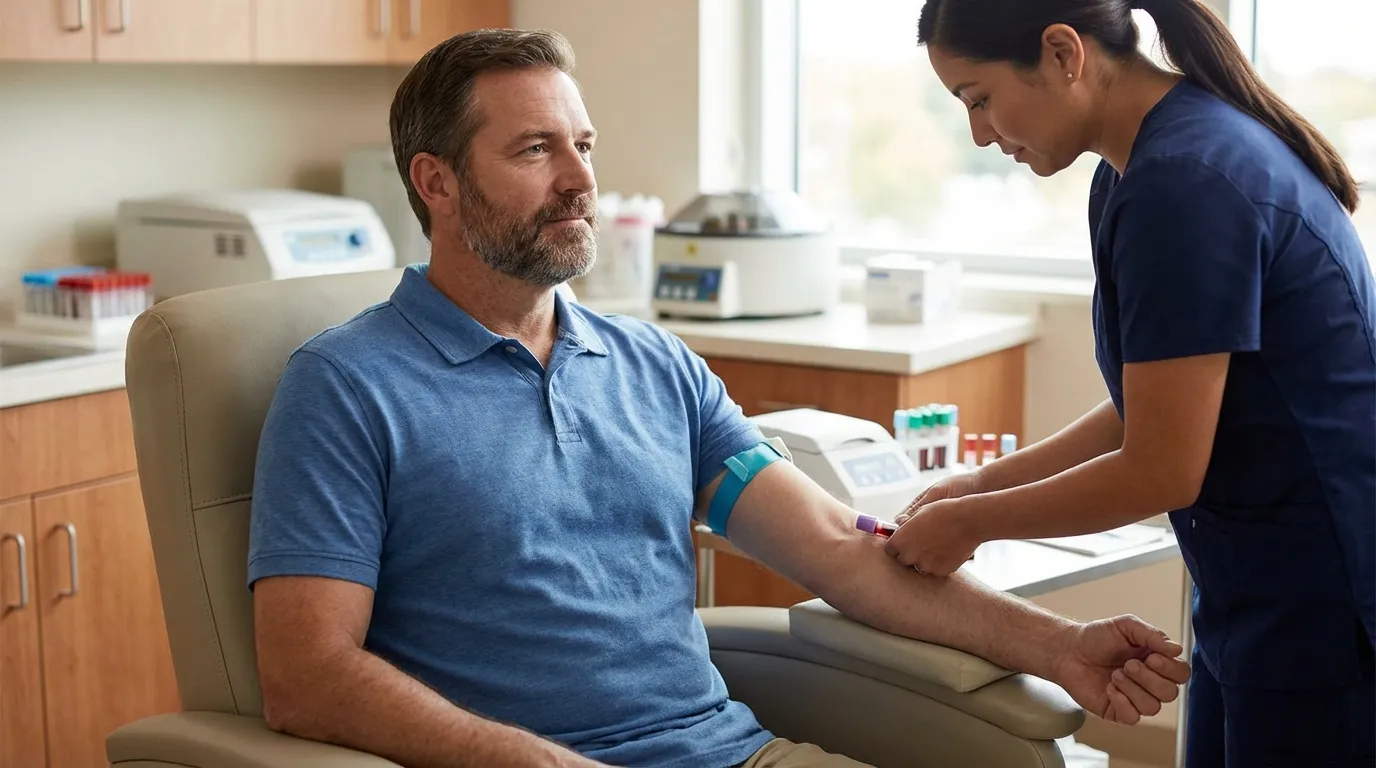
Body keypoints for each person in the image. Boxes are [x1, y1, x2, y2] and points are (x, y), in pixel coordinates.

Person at [246, 27, 1190, 768]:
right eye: (536, 150)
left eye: (583, 144)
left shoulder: (656, 368)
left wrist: (1059, 646)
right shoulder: (345, 389)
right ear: (436, 183)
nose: (580, 182)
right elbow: (308, 678)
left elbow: (837, 553)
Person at [887, 0, 1376, 766]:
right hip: (1255, 585)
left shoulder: (1182, 182)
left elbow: (1160, 469)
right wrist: (978, 486)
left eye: (979, 99)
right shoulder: (1133, 173)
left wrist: (970, 525)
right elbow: (1144, 408)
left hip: (1322, 602)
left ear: (1062, 53)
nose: (980, 134)